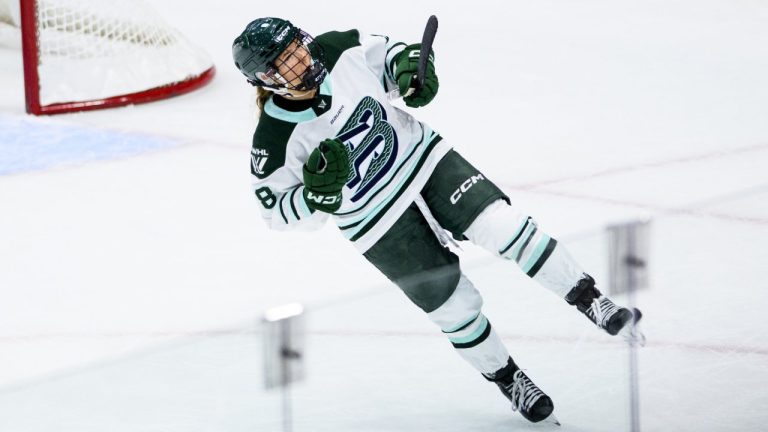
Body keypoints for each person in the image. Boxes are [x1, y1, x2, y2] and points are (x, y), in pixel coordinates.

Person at [232, 17, 642, 425]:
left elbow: (391, 58)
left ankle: (590, 298)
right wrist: (314, 196)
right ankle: (509, 379)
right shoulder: (271, 141)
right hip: (376, 221)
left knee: (507, 227)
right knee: (454, 308)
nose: (301, 56)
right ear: (267, 77)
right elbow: (276, 212)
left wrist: (411, 68)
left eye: (297, 44)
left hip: (426, 162)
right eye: (286, 58)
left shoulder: (338, 47)